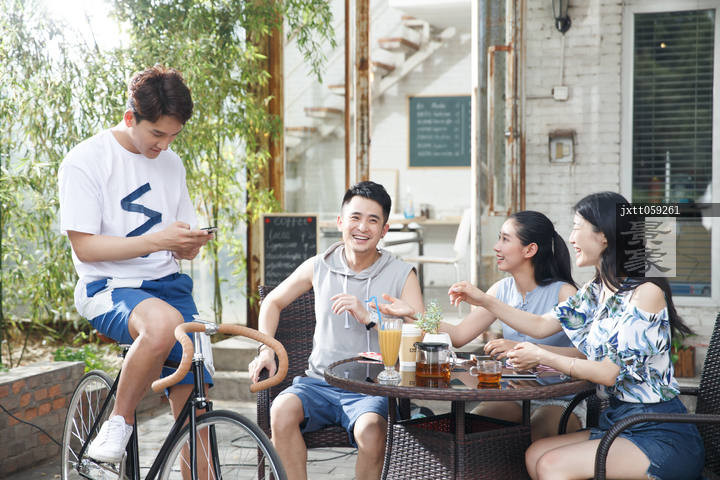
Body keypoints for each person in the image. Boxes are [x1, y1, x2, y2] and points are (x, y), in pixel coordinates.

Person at [448, 192, 704, 480]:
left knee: (551, 464)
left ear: (604, 235)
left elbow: (608, 373)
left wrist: (541, 355)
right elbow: (540, 325)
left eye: (577, 227)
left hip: (657, 430)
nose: (570, 239)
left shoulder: (645, 292)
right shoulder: (596, 289)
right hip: (617, 420)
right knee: (535, 454)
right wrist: (483, 300)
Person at [58, 65, 214, 464]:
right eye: (157, 134)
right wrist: (159, 240)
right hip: (109, 287)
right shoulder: (86, 160)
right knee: (163, 325)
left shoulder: (172, 163)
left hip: (170, 286)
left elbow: (179, 235)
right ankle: (119, 420)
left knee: (198, 420)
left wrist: (187, 247)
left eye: (174, 135)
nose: (165, 145)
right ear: (130, 117)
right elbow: (85, 247)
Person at [248, 181, 423, 480]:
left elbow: (419, 333)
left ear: (384, 230)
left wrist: (370, 317)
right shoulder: (319, 266)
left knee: (371, 431)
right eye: (355, 217)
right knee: (280, 410)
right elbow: (272, 302)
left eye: (373, 220)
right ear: (340, 222)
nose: (362, 227)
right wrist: (267, 349)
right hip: (317, 383)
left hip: (371, 389)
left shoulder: (402, 274)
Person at [380, 210, 586, 441]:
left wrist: (524, 349)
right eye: (499, 238)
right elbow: (459, 335)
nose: (497, 247)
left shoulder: (564, 293)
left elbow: (584, 355)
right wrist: (412, 313)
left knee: (536, 433)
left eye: (505, 239)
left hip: (561, 397)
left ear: (530, 250)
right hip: (515, 395)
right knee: (470, 427)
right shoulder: (501, 290)